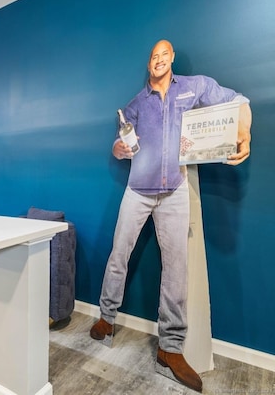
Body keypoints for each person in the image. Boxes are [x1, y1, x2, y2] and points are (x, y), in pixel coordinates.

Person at [90, 40, 252, 393]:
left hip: (175, 189)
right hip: (137, 190)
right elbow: (120, 146)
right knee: (119, 256)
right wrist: (119, 148)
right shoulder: (134, 105)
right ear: (148, 63)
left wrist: (244, 131)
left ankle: (170, 348)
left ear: (172, 58)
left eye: (164, 54)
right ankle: (106, 319)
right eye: (153, 55)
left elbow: (239, 101)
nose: (158, 59)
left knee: (176, 268)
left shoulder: (195, 87)